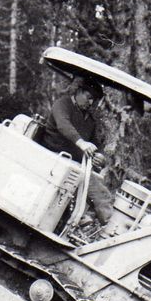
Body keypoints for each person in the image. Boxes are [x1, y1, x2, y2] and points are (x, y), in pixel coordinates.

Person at [40, 76, 114, 227]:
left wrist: (99, 157)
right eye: (88, 97)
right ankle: (102, 227)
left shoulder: (90, 120)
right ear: (79, 91)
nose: (90, 102)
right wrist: (81, 143)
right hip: (54, 158)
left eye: (94, 100)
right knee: (87, 188)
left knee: (101, 193)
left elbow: (95, 144)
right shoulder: (63, 104)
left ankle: (107, 228)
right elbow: (63, 125)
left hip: (75, 166)